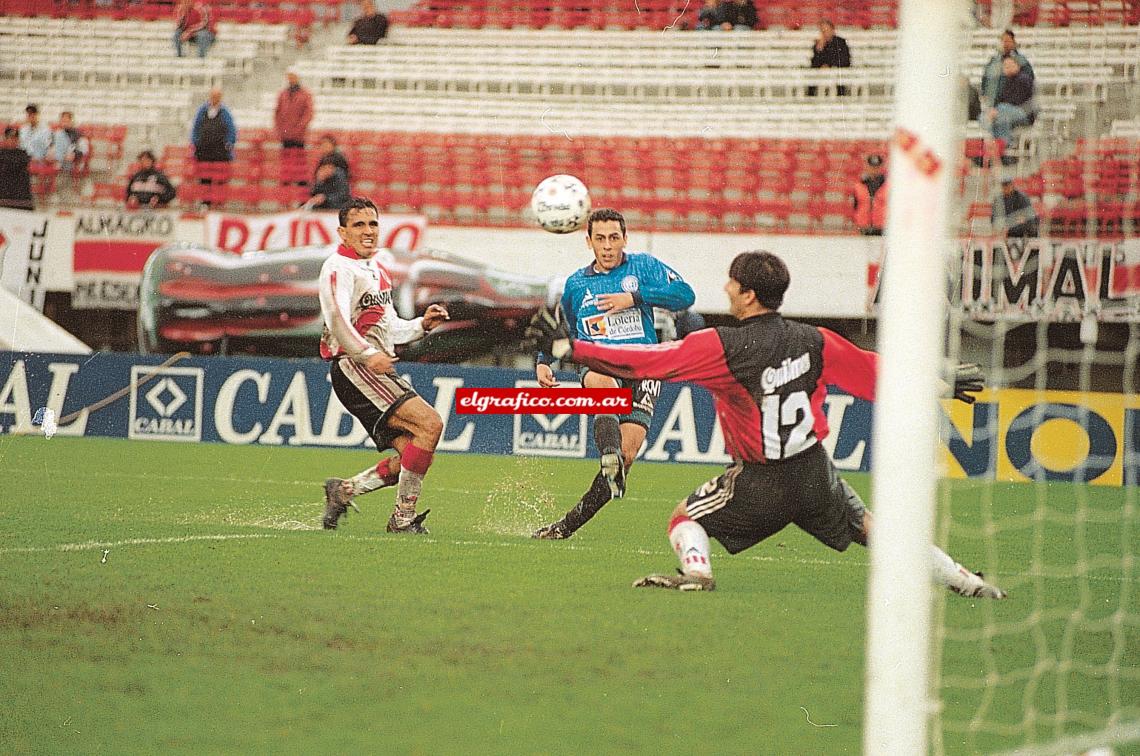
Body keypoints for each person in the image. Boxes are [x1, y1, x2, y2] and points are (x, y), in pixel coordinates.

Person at [528, 250, 1005, 598]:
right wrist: (937, 381)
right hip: (815, 471)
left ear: (749, 294)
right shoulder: (816, 339)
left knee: (684, 518)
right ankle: (966, 581)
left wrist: (572, 349)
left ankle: (696, 574)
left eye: (732, 283)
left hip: (761, 477)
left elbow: (650, 363)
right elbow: (875, 373)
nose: (727, 289)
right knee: (877, 531)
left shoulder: (722, 346)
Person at [531, 208, 696, 540]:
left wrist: (634, 297)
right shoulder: (577, 285)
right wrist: (544, 359)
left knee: (626, 459)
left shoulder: (643, 267)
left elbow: (685, 296)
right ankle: (608, 452)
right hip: (604, 364)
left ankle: (564, 528)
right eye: (601, 239)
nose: (608, 246)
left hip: (645, 368)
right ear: (588, 241)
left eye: (614, 238)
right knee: (598, 380)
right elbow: (563, 328)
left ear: (625, 238)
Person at [319, 197, 451, 533]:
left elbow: (388, 326)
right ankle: (402, 520)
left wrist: (421, 325)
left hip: (373, 367)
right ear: (343, 232)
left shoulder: (377, 268)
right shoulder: (338, 268)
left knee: (415, 456)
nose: (367, 231)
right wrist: (366, 354)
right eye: (359, 225)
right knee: (430, 425)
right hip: (354, 367)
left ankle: (344, 491)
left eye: (373, 224)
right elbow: (336, 320)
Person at [190, 87, 236, 206]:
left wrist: (228, 143)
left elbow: (231, 130)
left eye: (217, 96)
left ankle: (219, 201)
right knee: (205, 179)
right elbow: (196, 128)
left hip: (220, 151)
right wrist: (196, 142)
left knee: (220, 178)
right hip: (204, 151)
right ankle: (205, 202)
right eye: (213, 96)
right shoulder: (202, 111)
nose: (215, 99)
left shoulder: (225, 112)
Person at [986, 55, 1036, 147]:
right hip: (1006, 113)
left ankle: (1006, 144)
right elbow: (997, 99)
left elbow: (1018, 100)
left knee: (1001, 110)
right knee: (996, 117)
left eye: (1010, 65)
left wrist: (998, 109)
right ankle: (999, 145)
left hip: (1024, 113)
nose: (1007, 68)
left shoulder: (1024, 79)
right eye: (1005, 66)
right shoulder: (1003, 81)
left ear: (1017, 65)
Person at [980, 29, 1034, 108]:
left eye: (1008, 41)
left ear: (1014, 42)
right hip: (995, 104)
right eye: (1003, 41)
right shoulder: (993, 62)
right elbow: (986, 79)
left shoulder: (1021, 61)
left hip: (1017, 104)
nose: (1005, 44)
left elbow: (1029, 81)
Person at [274, 70, 313, 153]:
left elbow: (308, 113)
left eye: (293, 76)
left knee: (299, 158)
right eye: (289, 76)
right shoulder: (283, 94)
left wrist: (299, 128)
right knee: (285, 157)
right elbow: (277, 112)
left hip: (299, 135)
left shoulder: (305, 94)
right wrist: (280, 129)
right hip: (285, 134)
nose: (291, 79)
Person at [809, 19, 851, 96]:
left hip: (838, 68)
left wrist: (830, 65)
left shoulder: (840, 42)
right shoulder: (819, 43)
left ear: (832, 30)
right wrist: (819, 49)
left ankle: (840, 96)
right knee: (813, 73)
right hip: (822, 71)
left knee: (839, 75)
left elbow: (844, 58)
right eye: (823, 31)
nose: (825, 33)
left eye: (827, 30)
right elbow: (815, 61)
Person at [851, 154, 889, 236]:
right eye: (872, 166)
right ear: (867, 166)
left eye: (877, 166)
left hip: (883, 227)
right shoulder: (858, 185)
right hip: (864, 227)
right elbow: (855, 206)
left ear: (881, 167)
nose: (874, 169)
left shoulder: (889, 186)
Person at [0, 126, 34, 210]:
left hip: (21, 198)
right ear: (5, 139)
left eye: (15, 138)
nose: (13, 141)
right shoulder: (1, 153)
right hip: (4, 196)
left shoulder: (23, 154)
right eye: (10, 138)